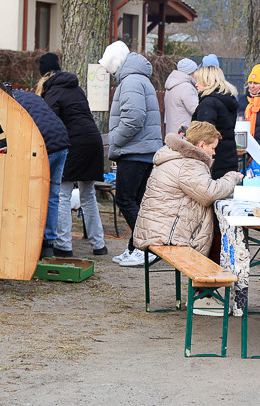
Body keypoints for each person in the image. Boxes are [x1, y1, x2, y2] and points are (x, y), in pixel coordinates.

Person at [132, 121, 243, 256]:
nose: (214, 153)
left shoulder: (178, 156)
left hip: (156, 228)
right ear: (202, 145)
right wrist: (231, 178)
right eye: (213, 148)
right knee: (221, 241)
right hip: (166, 235)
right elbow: (210, 193)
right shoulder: (188, 164)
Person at [36, 52, 108, 258]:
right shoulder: (76, 88)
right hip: (93, 142)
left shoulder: (53, 92)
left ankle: (63, 245)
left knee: (62, 195)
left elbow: (49, 124)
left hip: (75, 144)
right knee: (88, 195)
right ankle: (99, 244)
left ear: (45, 76)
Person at [99, 40, 164, 267]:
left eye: (107, 65)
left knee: (126, 199)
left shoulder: (131, 81)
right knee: (136, 201)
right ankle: (135, 247)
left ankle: (146, 248)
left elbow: (134, 119)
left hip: (134, 151)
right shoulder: (138, 78)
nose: (107, 71)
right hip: (143, 150)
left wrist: (114, 140)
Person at [9, 88, 71, 259]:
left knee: (30, 193)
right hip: (62, 143)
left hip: (45, 145)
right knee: (52, 195)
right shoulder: (28, 95)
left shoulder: (2, 100)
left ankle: (28, 243)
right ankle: (48, 244)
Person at [191, 65, 240, 179]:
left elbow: (204, 134)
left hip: (213, 161)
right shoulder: (226, 100)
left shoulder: (208, 103)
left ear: (207, 81)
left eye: (199, 81)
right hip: (228, 157)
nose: (196, 84)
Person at [237, 64, 260, 158]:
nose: (252, 86)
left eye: (256, 83)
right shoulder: (242, 100)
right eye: (250, 83)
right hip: (243, 147)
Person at [164, 58, 199, 136]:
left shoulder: (172, 85)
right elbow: (195, 110)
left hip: (172, 129)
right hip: (183, 130)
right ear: (191, 73)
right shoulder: (186, 87)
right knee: (182, 147)